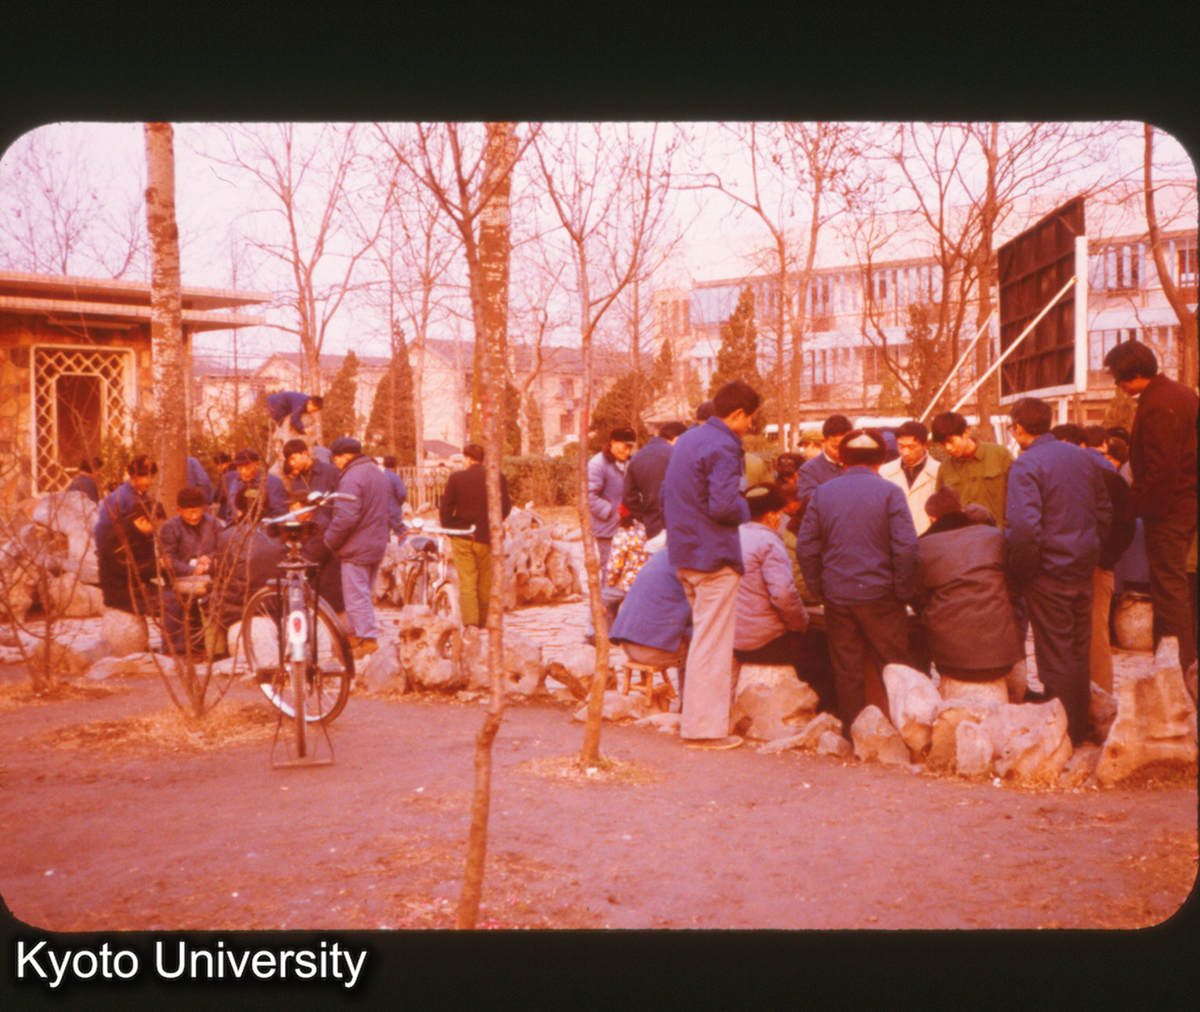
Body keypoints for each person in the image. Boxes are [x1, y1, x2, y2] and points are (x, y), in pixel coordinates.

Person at [797, 429, 919, 730]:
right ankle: (902, 731)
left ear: (843, 459)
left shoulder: (823, 493)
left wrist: (819, 588)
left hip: (838, 596)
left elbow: (806, 547)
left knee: (846, 670)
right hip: (882, 596)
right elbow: (906, 547)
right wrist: (903, 591)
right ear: (880, 459)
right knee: (895, 667)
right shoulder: (890, 492)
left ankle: (854, 733)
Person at [662, 378, 760, 749]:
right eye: (750, 418)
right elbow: (723, 506)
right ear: (737, 415)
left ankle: (695, 718)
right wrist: (747, 507)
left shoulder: (688, 439)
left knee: (701, 640)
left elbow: (665, 494)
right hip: (714, 557)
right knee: (712, 646)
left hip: (684, 555)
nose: (751, 425)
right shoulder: (724, 444)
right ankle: (703, 729)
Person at [1006, 397, 1111, 746]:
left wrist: (1025, 572)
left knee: (1054, 655)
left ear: (1019, 427)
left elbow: (1023, 529)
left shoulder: (1026, 465)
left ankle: (1063, 734)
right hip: (1081, 566)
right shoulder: (1083, 457)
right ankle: (1077, 727)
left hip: (1047, 571)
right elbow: (1104, 510)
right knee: (1078, 652)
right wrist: (1092, 550)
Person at [1104, 341, 1198, 676]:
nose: (1118, 385)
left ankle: (1179, 670)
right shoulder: (1183, 393)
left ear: (1135, 373)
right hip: (1187, 506)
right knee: (1181, 588)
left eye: (1119, 378)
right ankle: (1176, 662)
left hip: (1169, 511)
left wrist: (1141, 508)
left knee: (1169, 592)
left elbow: (1162, 468)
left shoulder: (1159, 404)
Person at [734, 483, 836, 714]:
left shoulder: (733, 536)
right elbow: (783, 595)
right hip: (764, 642)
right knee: (829, 648)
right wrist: (800, 624)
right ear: (772, 515)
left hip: (735, 637)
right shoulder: (769, 542)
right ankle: (825, 715)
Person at [914, 486, 1025, 694]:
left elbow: (918, 598)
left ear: (931, 519)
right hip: (1002, 655)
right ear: (962, 510)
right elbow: (1014, 586)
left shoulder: (922, 547)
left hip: (949, 658)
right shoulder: (994, 536)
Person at [1053, 424, 1136, 694]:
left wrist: (1104, 560)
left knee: (1095, 639)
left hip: (1095, 568)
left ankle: (1100, 701)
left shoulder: (1109, 479)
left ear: (1080, 446)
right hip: (1060, 568)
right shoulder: (1054, 477)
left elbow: (1124, 525)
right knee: (1063, 638)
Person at [324, 437, 392, 658]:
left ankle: (368, 640)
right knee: (359, 592)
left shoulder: (352, 477)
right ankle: (353, 638)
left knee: (355, 595)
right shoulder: (375, 471)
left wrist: (330, 539)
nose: (335, 464)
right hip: (376, 543)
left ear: (343, 456)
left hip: (357, 545)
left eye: (336, 460)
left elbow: (346, 516)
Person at [439, 443, 512, 628]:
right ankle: (483, 622)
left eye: (463, 459)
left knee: (467, 582)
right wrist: (492, 524)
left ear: (468, 458)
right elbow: (505, 507)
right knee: (485, 582)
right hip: (486, 538)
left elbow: (445, 508)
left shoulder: (456, 478)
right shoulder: (497, 477)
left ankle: (471, 625)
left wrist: (451, 529)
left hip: (463, 537)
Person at [609, 543, 692, 680]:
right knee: (702, 653)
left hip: (629, 646)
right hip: (651, 653)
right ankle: (689, 700)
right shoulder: (689, 562)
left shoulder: (660, 555)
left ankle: (686, 699)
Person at [280, 438, 344, 613]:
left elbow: (339, 505)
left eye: (293, 458)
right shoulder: (296, 481)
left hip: (332, 537)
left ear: (305, 454)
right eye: (288, 460)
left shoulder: (330, 472)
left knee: (333, 593)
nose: (291, 463)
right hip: (310, 539)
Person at [931, 411, 1013, 528]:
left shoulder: (1000, 455)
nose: (948, 448)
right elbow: (940, 512)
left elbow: (1019, 497)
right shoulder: (945, 469)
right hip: (963, 541)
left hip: (999, 537)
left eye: (950, 441)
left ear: (965, 432)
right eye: (943, 444)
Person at [621, 421, 686, 540]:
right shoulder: (676, 455)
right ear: (677, 438)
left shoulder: (636, 458)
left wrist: (644, 515)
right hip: (677, 525)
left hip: (651, 526)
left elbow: (628, 497)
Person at [97, 502, 162, 615]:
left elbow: (149, 565)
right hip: (122, 595)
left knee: (179, 597)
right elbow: (127, 569)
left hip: (141, 589)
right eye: (154, 524)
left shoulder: (146, 535)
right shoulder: (119, 537)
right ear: (142, 520)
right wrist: (158, 566)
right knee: (171, 603)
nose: (156, 529)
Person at [588, 427, 637, 573]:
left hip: (629, 526)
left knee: (629, 570)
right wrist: (613, 512)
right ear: (613, 442)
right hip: (607, 529)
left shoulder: (631, 463)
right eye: (624, 447)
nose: (628, 452)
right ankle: (606, 596)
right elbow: (589, 496)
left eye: (630, 448)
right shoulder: (597, 464)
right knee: (609, 570)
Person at [879, 420, 940, 535]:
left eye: (911, 447)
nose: (905, 452)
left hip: (929, 539)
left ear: (926, 445)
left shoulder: (939, 471)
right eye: (901, 446)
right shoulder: (884, 472)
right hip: (895, 540)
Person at [94, 454, 159, 553]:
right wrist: (105, 556)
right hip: (121, 556)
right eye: (148, 477)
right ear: (135, 476)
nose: (152, 481)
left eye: (153, 477)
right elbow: (102, 531)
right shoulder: (118, 498)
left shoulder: (144, 497)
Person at [159, 486, 223, 579]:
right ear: (179, 510)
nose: (195, 516)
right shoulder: (170, 527)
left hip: (212, 572)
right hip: (183, 576)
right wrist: (191, 570)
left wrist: (210, 557)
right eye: (190, 512)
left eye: (198, 511)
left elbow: (225, 547)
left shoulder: (213, 522)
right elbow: (168, 559)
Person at [219, 448, 288, 525]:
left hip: (264, 529)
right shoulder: (235, 483)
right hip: (238, 529)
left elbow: (280, 515)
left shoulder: (272, 483)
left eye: (248, 467)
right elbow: (230, 513)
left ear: (257, 465)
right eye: (240, 468)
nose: (244, 471)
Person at [794, 414, 852, 502]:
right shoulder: (809, 470)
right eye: (835, 447)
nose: (841, 451)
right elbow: (808, 499)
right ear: (823, 442)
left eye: (845, 445)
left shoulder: (860, 464)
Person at [381, 456, 409, 538]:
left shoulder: (380, 476)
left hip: (381, 511)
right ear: (395, 465)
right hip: (393, 511)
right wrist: (399, 503)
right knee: (403, 535)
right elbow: (403, 493)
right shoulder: (395, 477)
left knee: (384, 537)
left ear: (384, 464)